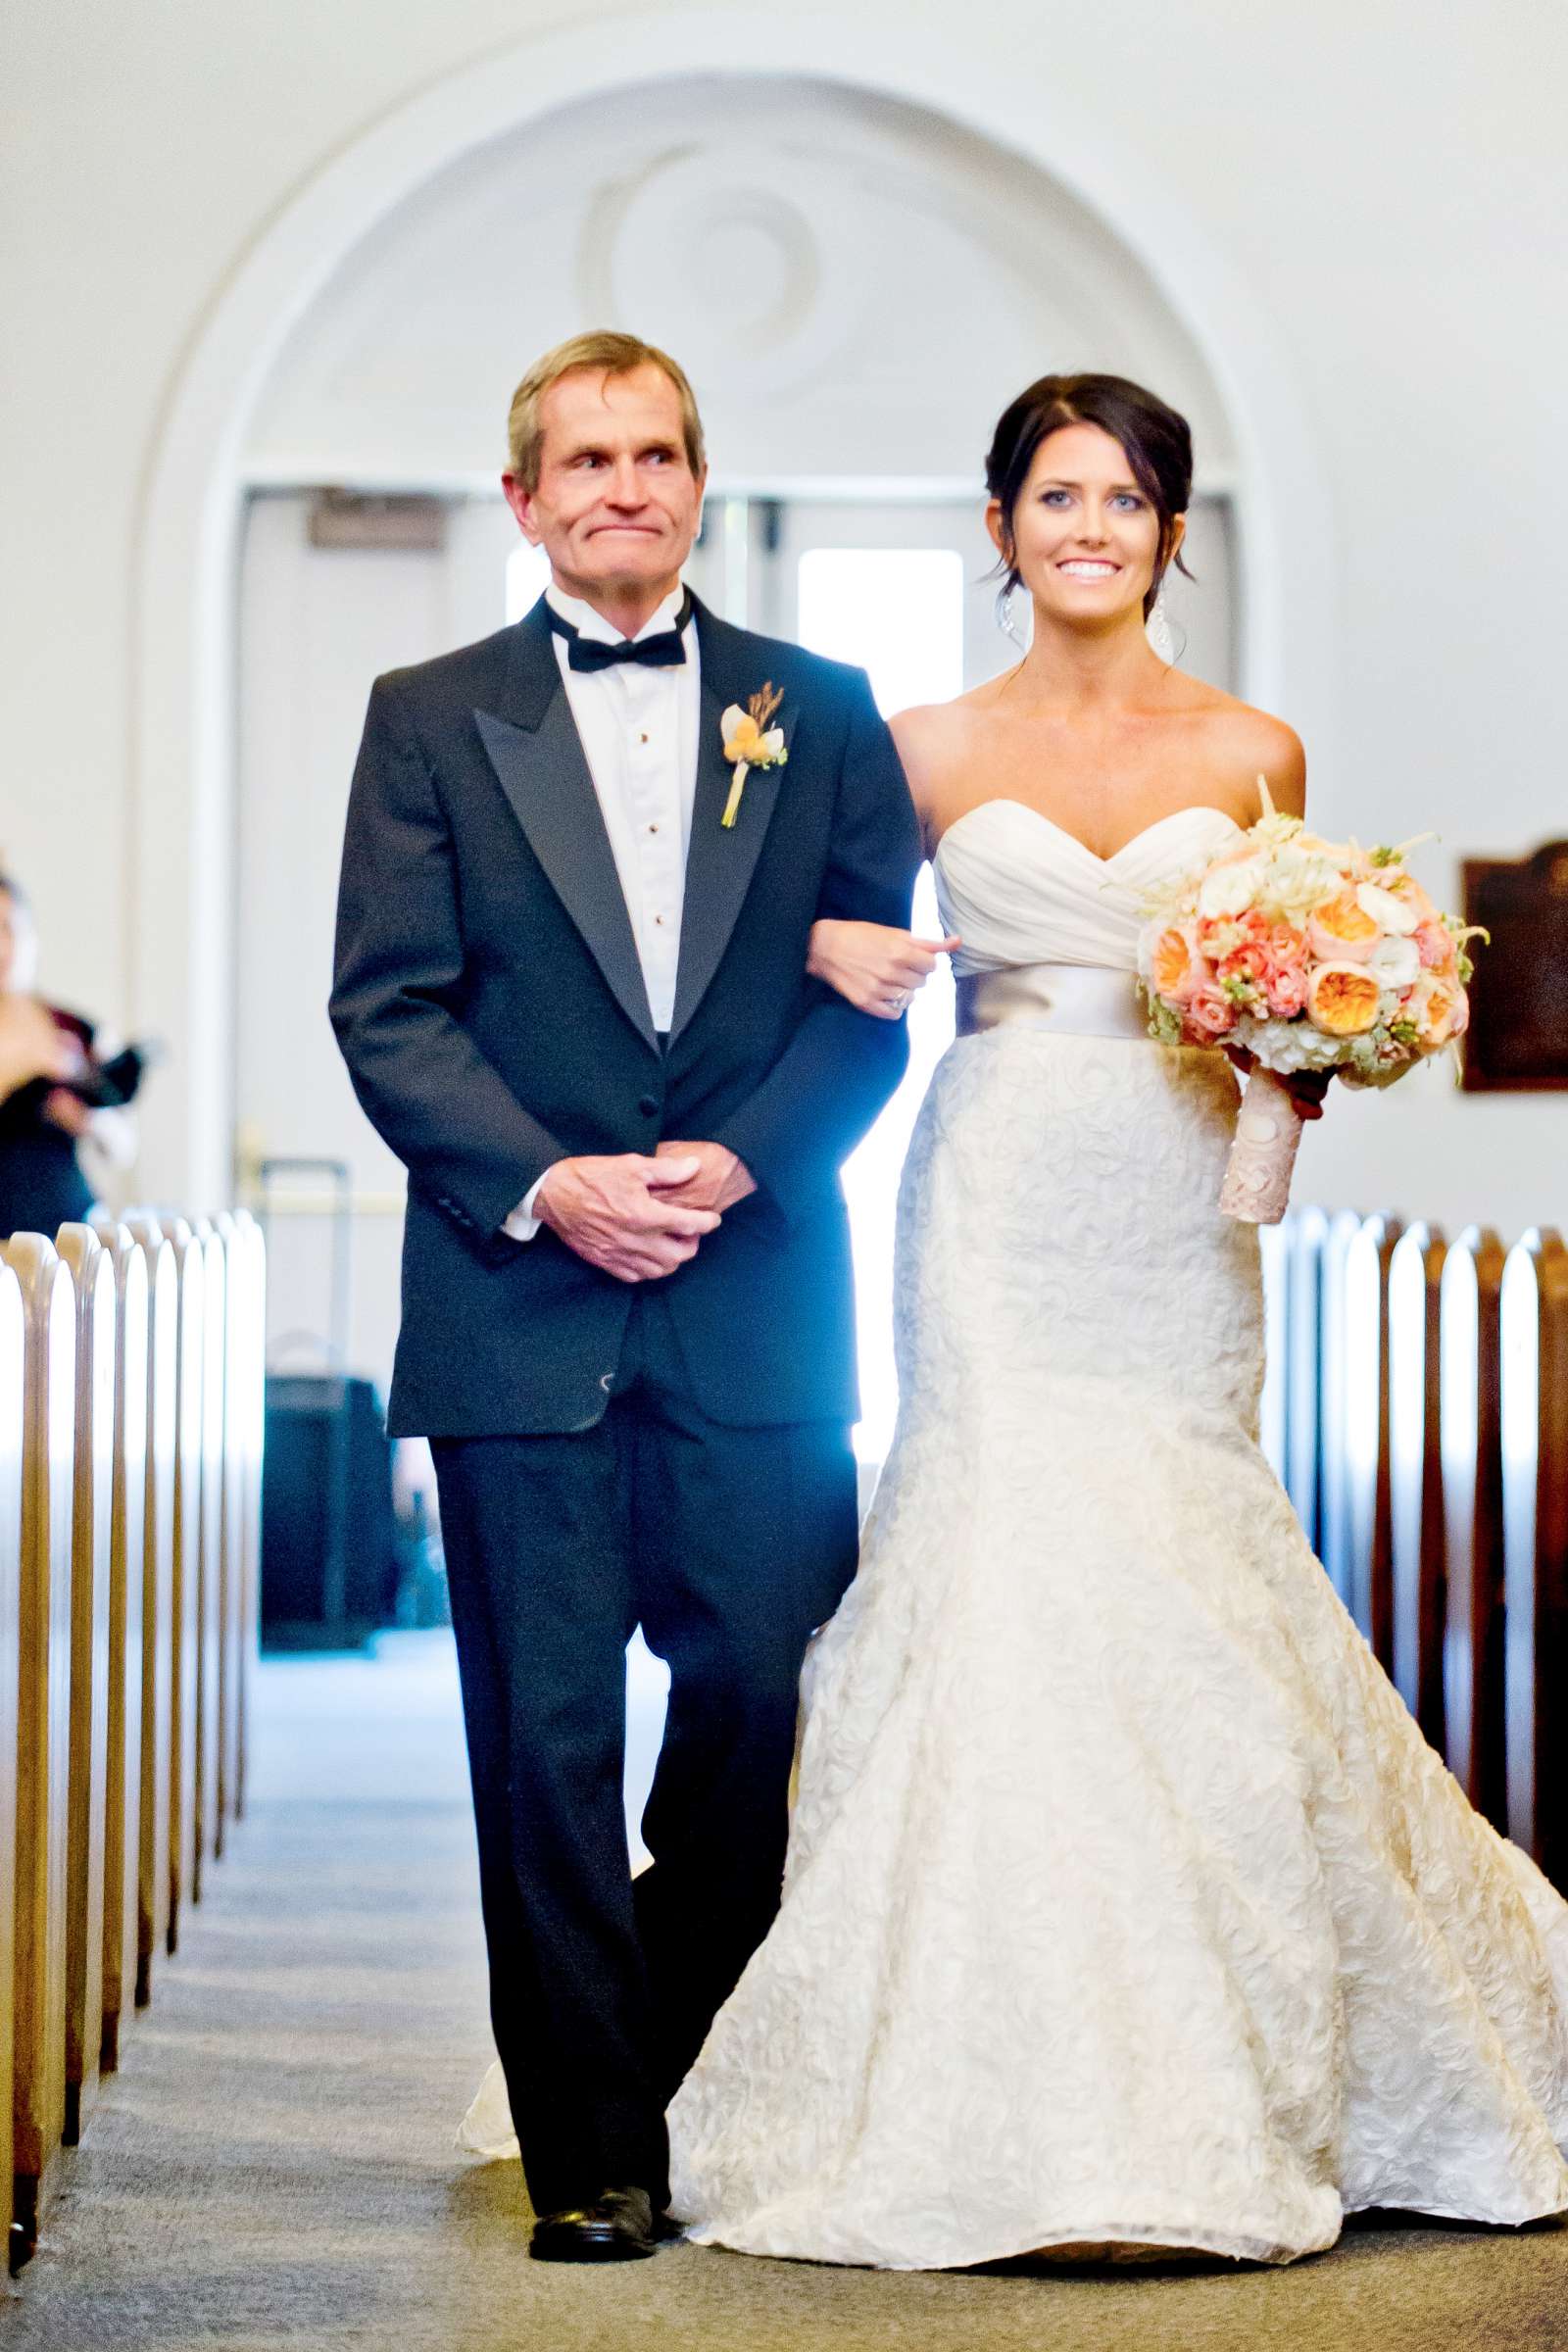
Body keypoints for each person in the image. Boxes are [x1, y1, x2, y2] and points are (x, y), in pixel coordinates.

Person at [666, 373, 1568, 2269]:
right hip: (994, 1184)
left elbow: (1284, 985)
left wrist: (1320, 1044)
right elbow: (773, 961)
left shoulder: (1256, 746)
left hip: (1172, 1203)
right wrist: (825, 945)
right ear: (997, 529)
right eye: (1057, 494)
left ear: (1171, 533)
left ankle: (1223, 2056)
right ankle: (987, 2067)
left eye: (1130, 497)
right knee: (1000, 1543)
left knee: (1183, 1551)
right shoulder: (904, 746)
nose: (1093, 525)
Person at [329, 332, 921, 2263]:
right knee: (546, 1742)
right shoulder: (428, 714)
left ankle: (668, 2047)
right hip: (521, 1311)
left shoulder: (819, 710)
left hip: (754, 1304)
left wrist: (747, 1158)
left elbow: (862, 1003)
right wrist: (547, 1184)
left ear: (692, 482)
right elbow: (389, 1012)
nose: (620, 486)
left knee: (764, 1692)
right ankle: (593, 2143)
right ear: (523, 500)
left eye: (654, 454)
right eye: (581, 459)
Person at [0, 869, 137, 1238]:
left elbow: (124, 1144)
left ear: (32, 939)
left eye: (10, 930)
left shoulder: (75, 1030)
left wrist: (84, 1119)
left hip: (62, 1225)